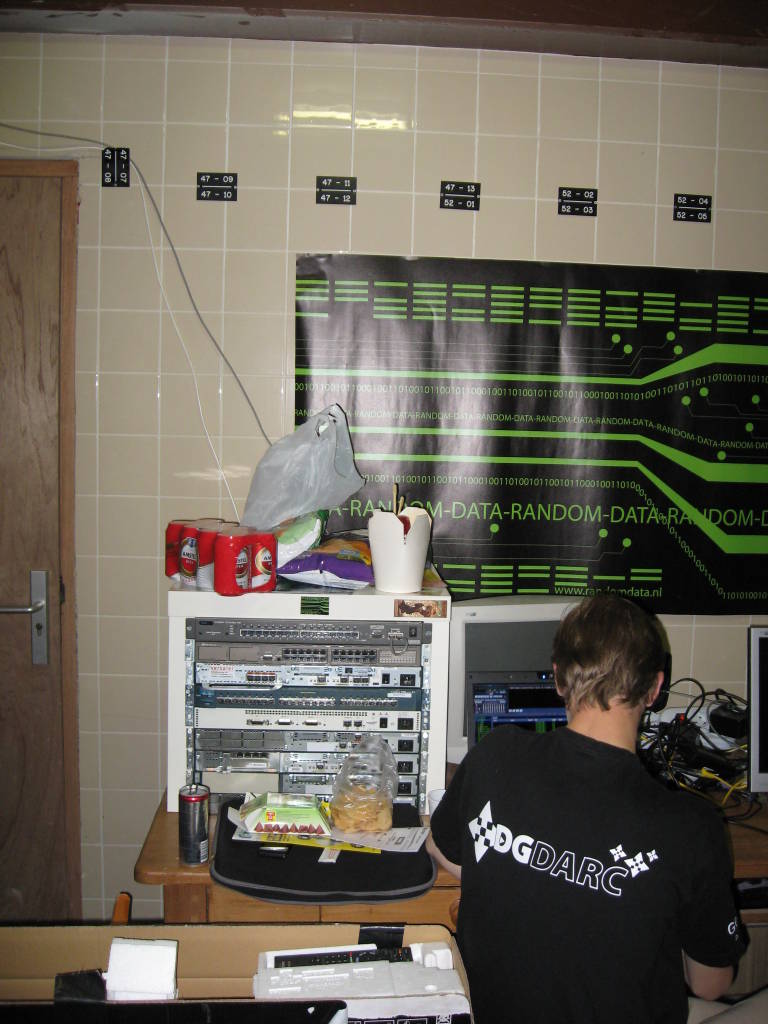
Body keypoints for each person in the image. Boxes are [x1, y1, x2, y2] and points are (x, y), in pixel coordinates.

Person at [428, 593, 746, 1024]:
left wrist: (518, 870)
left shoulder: (494, 756)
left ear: (558, 677)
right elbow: (710, 984)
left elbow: (441, 846)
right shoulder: (691, 827)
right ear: (655, 689)